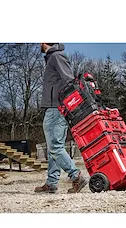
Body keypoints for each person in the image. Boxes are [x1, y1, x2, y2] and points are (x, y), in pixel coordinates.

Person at [34, 43, 88, 194]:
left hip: (56, 108)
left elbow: (69, 80)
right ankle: (51, 183)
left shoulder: (57, 56)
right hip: (55, 107)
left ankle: (76, 176)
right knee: (54, 147)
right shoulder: (53, 57)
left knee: (55, 147)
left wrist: (64, 103)